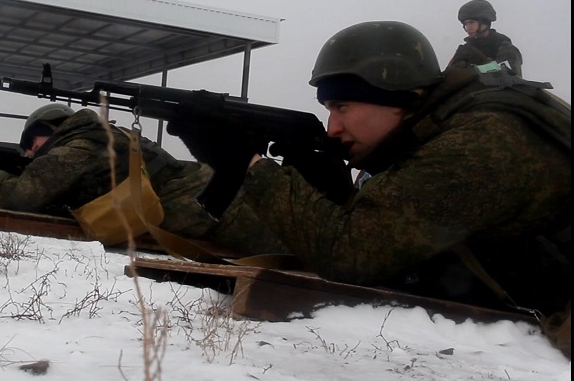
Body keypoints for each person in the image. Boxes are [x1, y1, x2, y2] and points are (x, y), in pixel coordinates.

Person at [171, 21, 571, 357]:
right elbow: (391, 230)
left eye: (342, 107)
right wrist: (326, 184)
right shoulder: (451, 123)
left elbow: (353, 253)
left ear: (398, 99)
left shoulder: (479, 141)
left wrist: (248, 165)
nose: (333, 128)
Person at [0, 103, 282, 246]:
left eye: (31, 143)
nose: (30, 153)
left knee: (294, 243)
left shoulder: (76, 146)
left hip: (205, 205)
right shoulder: (101, 136)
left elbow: (22, 195)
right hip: (202, 192)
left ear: (53, 128)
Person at [447, 0, 524, 76]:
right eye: (466, 24)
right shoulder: (464, 50)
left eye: (471, 22)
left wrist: (473, 72)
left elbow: (510, 77)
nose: (468, 27)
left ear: (485, 22)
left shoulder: (504, 47)